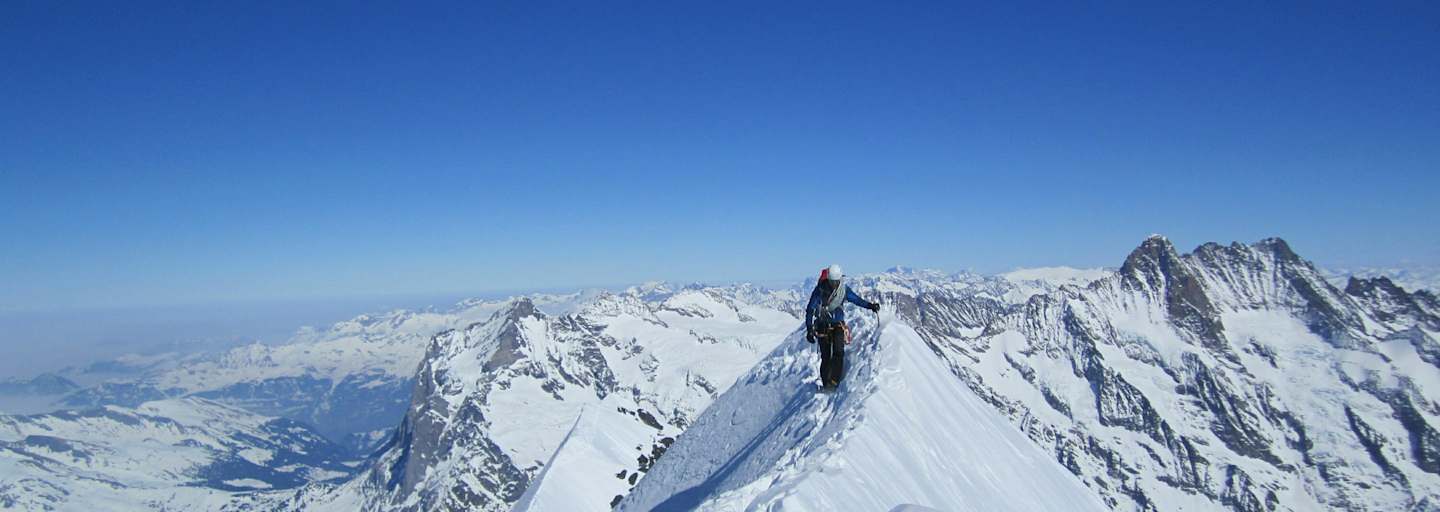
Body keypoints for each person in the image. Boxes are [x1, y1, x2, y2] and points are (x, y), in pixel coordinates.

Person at [805, 264, 880, 389]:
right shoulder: (827, 290)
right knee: (829, 356)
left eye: (836, 281)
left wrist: (870, 306)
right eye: (833, 281)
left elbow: (856, 300)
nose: (834, 284)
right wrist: (809, 328)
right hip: (830, 325)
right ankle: (829, 383)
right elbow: (810, 309)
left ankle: (832, 383)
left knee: (835, 354)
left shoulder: (830, 290)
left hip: (829, 326)